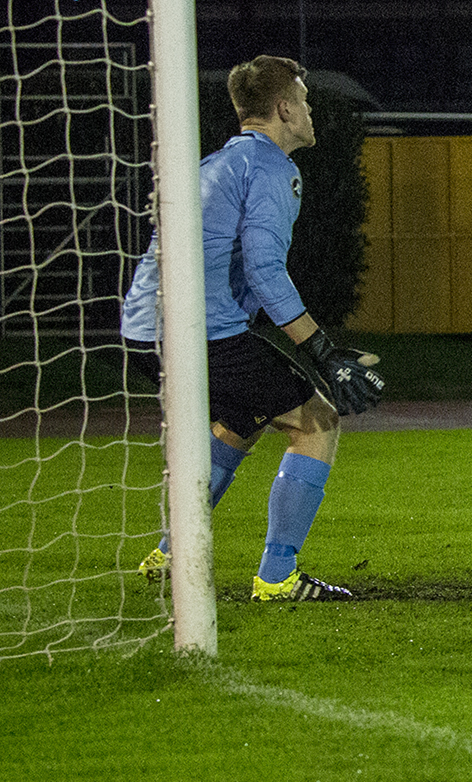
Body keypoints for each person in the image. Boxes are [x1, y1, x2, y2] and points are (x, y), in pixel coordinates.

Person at [124, 56, 384, 602]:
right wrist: (322, 350)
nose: (311, 112)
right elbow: (266, 269)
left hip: (146, 326)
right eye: (305, 102)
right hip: (195, 331)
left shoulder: (223, 162)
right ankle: (277, 576)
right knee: (317, 420)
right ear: (285, 109)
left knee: (244, 417)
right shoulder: (270, 168)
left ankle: (169, 554)